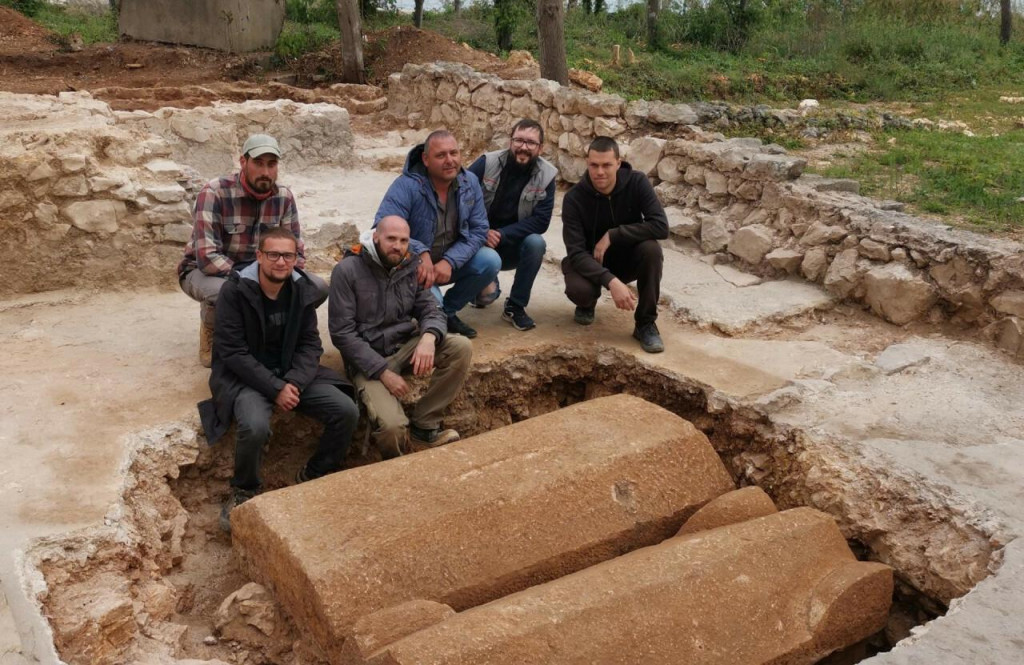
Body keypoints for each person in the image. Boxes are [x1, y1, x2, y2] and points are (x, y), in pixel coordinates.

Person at [198, 228, 358, 533]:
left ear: (296, 258)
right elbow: (232, 352)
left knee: (346, 410)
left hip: (291, 374)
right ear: (259, 256)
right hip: (246, 378)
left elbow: (311, 345)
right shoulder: (234, 291)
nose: (281, 262)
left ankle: (314, 474)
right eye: (273, 254)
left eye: (288, 255)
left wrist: (294, 383)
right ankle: (244, 489)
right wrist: (275, 388)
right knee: (255, 426)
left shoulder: (301, 289)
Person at [178, 134, 327, 367]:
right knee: (226, 293)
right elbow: (207, 257)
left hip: (263, 269)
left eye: (272, 164)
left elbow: (294, 248)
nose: (266, 172)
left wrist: (289, 278)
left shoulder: (284, 197)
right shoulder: (214, 193)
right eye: (258, 163)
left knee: (316, 288)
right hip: (210, 272)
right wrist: (254, 280)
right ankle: (212, 327)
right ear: (243, 162)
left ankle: (273, 333)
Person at [329, 216, 472, 460]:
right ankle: (397, 465)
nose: (398, 246)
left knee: (460, 347)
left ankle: (424, 426)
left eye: (404, 240)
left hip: (404, 346)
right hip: (369, 360)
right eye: (391, 239)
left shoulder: (409, 265)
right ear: (375, 237)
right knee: (393, 429)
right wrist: (383, 371)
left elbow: (431, 309)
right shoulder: (347, 271)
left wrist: (428, 337)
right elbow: (342, 334)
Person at [374, 129, 500, 339]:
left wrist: (450, 261)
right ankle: (436, 313)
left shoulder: (469, 183)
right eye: (441, 155)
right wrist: (420, 253)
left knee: (490, 260)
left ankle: (448, 311)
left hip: (448, 263)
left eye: (454, 153)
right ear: (425, 159)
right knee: (432, 310)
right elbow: (381, 226)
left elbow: (479, 230)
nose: (449, 160)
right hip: (413, 268)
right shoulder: (406, 186)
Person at [561, 136, 669, 353]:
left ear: (618, 163)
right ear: (587, 163)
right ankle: (587, 303)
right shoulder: (574, 198)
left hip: (627, 258)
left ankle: (645, 323)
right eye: (594, 165)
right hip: (591, 263)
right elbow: (576, 253)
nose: (600, 172)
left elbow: (660, 226)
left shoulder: (637, 183)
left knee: (652, 250)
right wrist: (611, 281)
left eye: (607, 165)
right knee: (578, 290)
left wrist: (614, 234)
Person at [467, 118, 557, 332]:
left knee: (536, 243)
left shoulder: (547, 175)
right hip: (480, 242)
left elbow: (541, 221)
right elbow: (459, 197)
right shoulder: (486, 163)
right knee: (485, 297)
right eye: (519, 140)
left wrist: (501, 234)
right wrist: (481, 232)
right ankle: (484, 284)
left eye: (531, 142)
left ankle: (515, 306)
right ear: (510, 141)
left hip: (511, 243)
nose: (523, 147)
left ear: (540, 148)